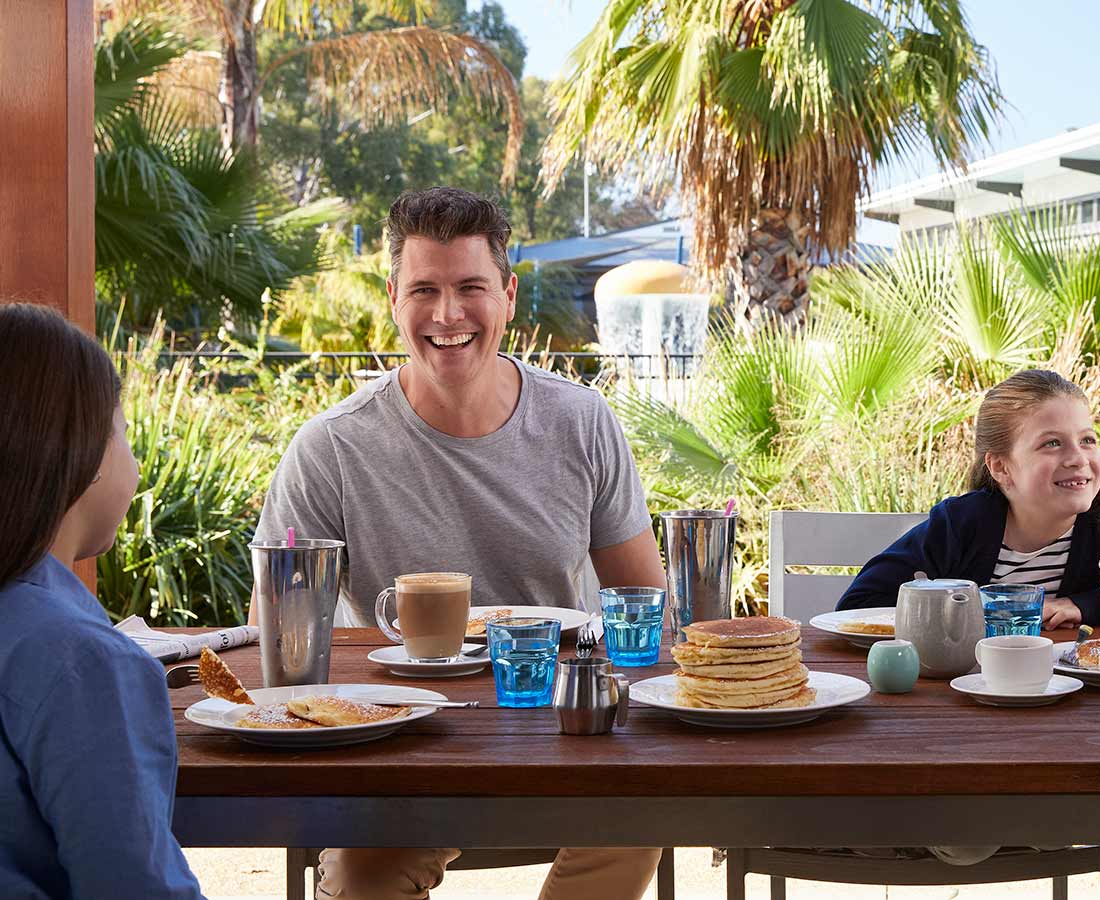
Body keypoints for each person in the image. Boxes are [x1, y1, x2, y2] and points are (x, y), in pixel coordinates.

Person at [252, 188, 665, 900]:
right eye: (425, 290)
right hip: (398, 748)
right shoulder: (332, 447)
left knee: (641, 818)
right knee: (360, 875)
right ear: (392, 297)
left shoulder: (579, 421)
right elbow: (279, 636)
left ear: (507, 295)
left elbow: (645, 605)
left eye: (471, 287)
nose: (448, 315)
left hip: (562, 735)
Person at [0, 302, 206, 899]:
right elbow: (135, 886)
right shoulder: (83, 662)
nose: (133, 460)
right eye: (123, 432)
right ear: (83, 452)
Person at [838, 368, 1100, 629]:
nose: (1079, 459)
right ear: (1001, 468)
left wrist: (1083, 605)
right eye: (1052, 443)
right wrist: (961, 611)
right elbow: (858, 606)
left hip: (1082, 713)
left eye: (1088, 440)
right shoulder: (961, 523)